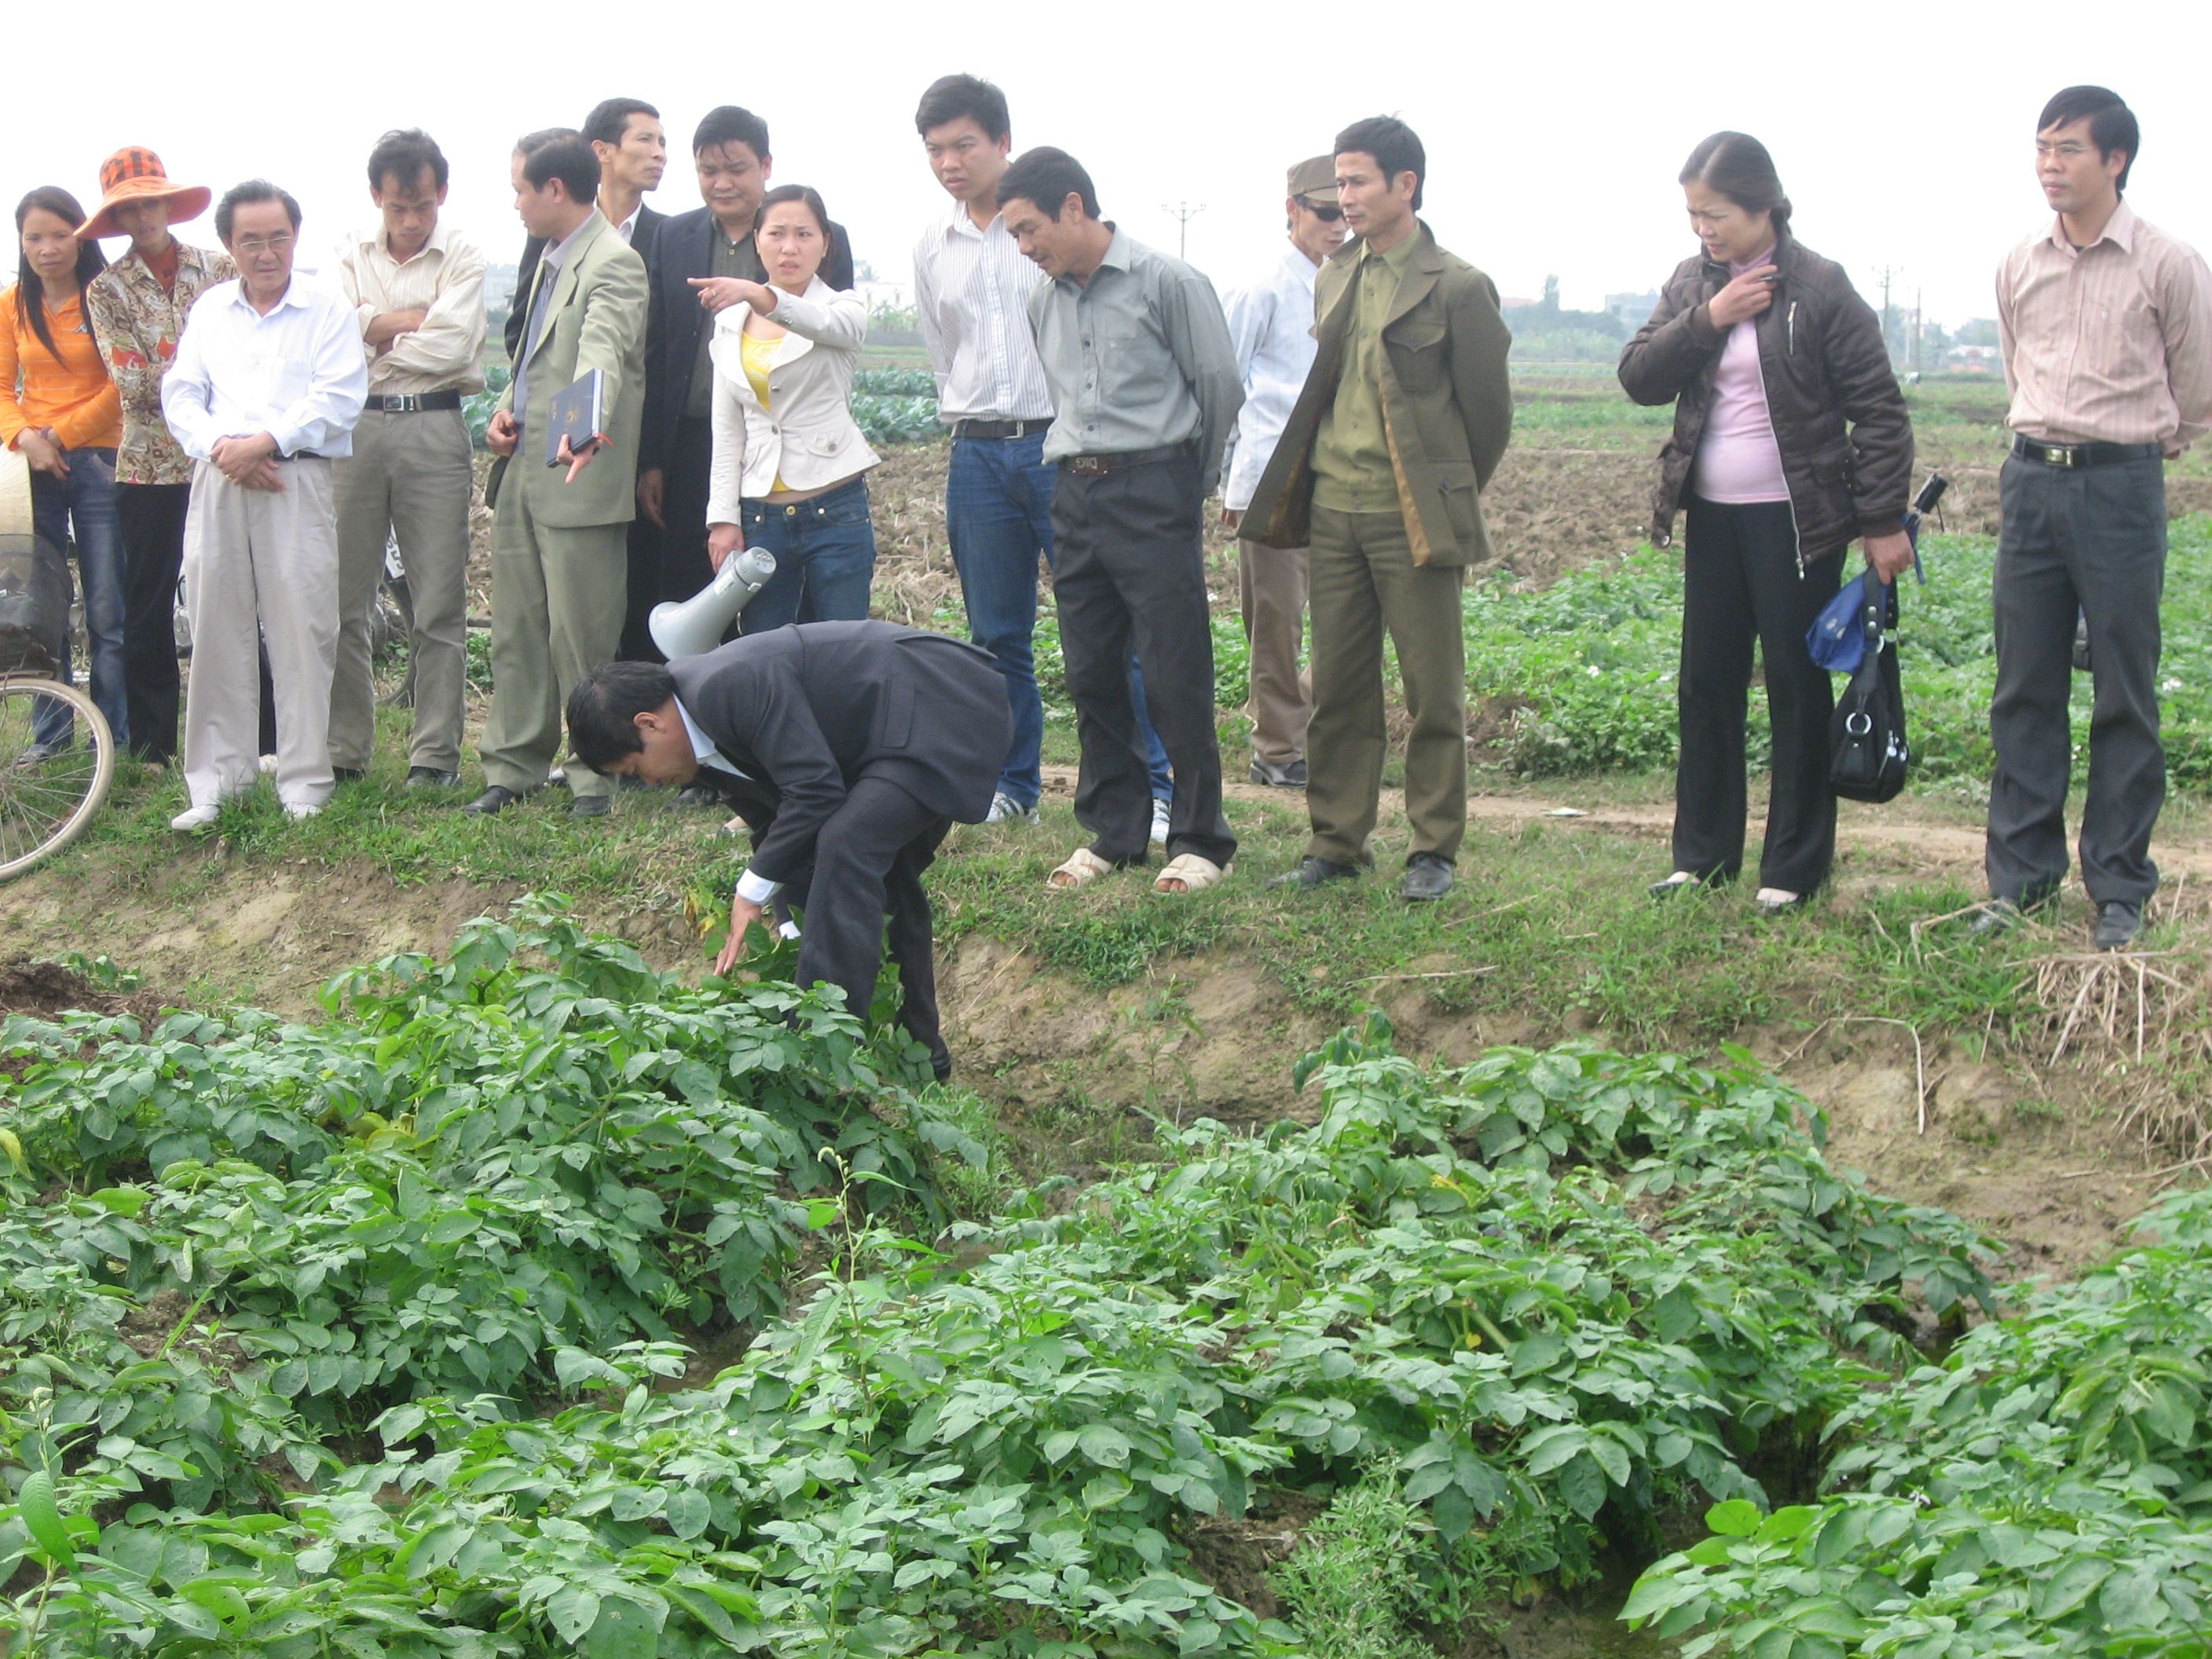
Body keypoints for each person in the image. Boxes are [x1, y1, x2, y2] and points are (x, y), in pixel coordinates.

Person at [1618, 132, 1913, 914]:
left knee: (1795, 685)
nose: (1701, 230)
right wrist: (1708, 318)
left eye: (1713, 214)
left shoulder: (1817, 287)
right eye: (1691, 215)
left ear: (1761, 205)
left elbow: (1878, 413)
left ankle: (1792, 867)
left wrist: (1880, 518)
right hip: (1711, 518)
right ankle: (1702, 857)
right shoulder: (1693, 282)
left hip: (1797, 524)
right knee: (1706, 683)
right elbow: (1638, 376)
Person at [1245, 118, 1513, 903]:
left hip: (1410, 520)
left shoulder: (1457, 285)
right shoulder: (1335, 273)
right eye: (1338, 183)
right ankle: (1334, 842)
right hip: (1333, 511)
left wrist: (1440, 494)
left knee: (1433, 690)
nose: (1344, 198)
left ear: (1406, 185)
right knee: (1338, 686)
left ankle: (1432, 850)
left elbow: (1486, 418)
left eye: (1358, 181)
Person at [566, 621, 1013, 1081]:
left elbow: (815, 792)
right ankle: (922, 1053)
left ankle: (820, 1054)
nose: (649, 782)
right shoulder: (694, 741)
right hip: (887, 732)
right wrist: (793, 922)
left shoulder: (726, 688)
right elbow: (778, 825)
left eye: (636, 769)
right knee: (883, 874)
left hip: (941, 702)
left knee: (847, 844)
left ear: (649, 723)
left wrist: (751, 891)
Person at [1976, 88, 2212, 950]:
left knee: (2123, 689)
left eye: (2068, 150)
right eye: (2041, 149)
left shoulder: (2166, 263)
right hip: (2030, 482)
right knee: (2023, 684)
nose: (2050, 166)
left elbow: (2194, 390)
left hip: (2120, 489)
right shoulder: (2017, 264)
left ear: (2114, 160)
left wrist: (2140, 451)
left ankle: (2117, 888)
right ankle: (2019, 882)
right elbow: (2015, 368)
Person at [913, 75, 1175, 835]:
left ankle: (1150, 787)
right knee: (994, 636)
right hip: (977, 454)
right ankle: (1011, 785)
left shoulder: (1049, 230)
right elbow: (941, 349)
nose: (949, 162)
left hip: (1058, 448)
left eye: (964, 144)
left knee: (1104, 628)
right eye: (934, 150)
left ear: (1001, 141)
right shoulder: (933, 242)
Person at [998, 147, 1242, 895]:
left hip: (1154, 485)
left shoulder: (1168, 282)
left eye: (1030, 229)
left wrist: (1182, 486)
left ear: (1075, 207)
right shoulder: (1042, 301)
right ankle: (1116, 831)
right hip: (1074, 491)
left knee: (1174, 668)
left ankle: (1200, 839)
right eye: (1014, 236)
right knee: (1091, 667)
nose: (1025, 247)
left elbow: (1219, 387)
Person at [160, 180, 368, 829]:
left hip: (294, 478)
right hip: (220, 478)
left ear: (294, 237)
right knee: (215, 623)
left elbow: (338, 396)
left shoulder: (325, 308)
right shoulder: (210, 310)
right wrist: (224, 446)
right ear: (230, 245)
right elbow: (181, 392)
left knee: (302, 625)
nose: (266, 252)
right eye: (251, 240)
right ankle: (218, 783)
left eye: (278, 237)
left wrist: (266, 442)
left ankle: (305, 780)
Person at [467, 130, 649, 822]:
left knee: (582, 636)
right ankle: (513, 764)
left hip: (579, 475)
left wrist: (577, 429)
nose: (514, 203)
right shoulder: (548, 258)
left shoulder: (614, 262)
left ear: (554, 189)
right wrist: (505, 412)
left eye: (520, 188)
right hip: (524, 475)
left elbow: (597, 354)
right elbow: (536, 355)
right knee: (516, 629)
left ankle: (593, 775)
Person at [641, 106, 857, 665]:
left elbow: (831, 330)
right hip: (697, 445)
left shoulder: (815, 248)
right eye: (708, 170)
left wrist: (760, 294)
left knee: (816, 630)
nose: (722, 182)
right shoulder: (673, 235)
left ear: (764, 166)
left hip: (805, 463)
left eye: (735, 168)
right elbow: (660, 350)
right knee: (697, 583)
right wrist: (653, 460)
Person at [330, 129, 487, 790]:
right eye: (399, 207)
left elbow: (454, 347)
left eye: (422, 205)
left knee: (439, 602)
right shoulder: (346, 253)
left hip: (434, 428)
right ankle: (343, 749)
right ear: (377, 198)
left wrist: (373, 328)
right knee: (342, 597)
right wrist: (407, 320)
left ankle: (435, 756)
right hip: (355, 430)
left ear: (440, 193)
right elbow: (334, 337)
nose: (412, 220)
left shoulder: (467, 256)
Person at [81, 148, 236, 769]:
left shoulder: (220, 269)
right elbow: (131, 384)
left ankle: (250, 736)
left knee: (232, 595)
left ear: (168, 204)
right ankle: (153, 747)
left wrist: (188, 379)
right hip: (149, 465)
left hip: (223, 455)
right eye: (129, 206)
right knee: (147, 605)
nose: (143, 214)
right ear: (117, 218)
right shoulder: (106, 288)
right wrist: (206, 375)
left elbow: (246, 355)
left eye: (150, 200)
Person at [1220, 156, 1345, 789]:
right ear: (1292, 210)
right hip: (1270, 476)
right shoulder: (1261, 287)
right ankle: (1277, 748)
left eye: (1346, 212)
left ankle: (1316, 733)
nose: (1338, 225)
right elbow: (1224, 383)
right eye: (1325, 213)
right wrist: (1230, 485)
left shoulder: (1353, 280)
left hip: (1344, 474)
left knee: (1348, 614)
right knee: (1276, 620)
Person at [704, 185, 879, 634]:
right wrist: (723, 518)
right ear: (757, 239)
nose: (789, 247)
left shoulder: (844, 307)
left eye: (804, 234)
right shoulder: (729, 322)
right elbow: (728, 432)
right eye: (776, 233)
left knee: (842, 652)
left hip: (836, 510)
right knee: (765, 655)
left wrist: (761, 296)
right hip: (761, 516)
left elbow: (818, 323)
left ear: (826, 244)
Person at [2, 188, 124, 761]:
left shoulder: (105, 299)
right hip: (33, 475)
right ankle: (53, 738)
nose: (48, 248)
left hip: (100, 463)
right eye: (34, 237)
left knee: (107, 605)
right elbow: (2, 390)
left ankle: (117, 735)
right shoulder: (11, 306)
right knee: (42, 608)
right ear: (21, 243)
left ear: (82, 236)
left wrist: (59, 436)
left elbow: (121, 386)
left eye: (59, 234)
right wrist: (25, 436)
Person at [504, 98, 666, 362]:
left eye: (662, 142)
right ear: (601, 151)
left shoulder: (667, 236)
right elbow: (521, 331)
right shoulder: (553, 231)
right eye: (645, 139)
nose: (659, 153)